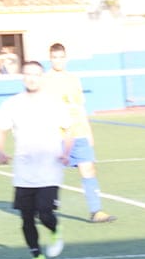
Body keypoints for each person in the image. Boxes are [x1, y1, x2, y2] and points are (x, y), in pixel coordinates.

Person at [0, 61, 72, 259]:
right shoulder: (12, 104)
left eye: (36, 74)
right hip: (23, 170)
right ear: (22, 77)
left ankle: (55, 230)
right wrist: (0, 150)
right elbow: (1, 130)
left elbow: (68, 130)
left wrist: (66, 152)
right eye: (28, 74)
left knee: (45, 212)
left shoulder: (54, 103)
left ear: (42, 77)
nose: (32, 78)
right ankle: (38, 258)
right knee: (26, 217)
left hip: (50, 167)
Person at [44, 43, 117, 222]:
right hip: (58, 135)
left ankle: (96, 211)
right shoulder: (44, 81)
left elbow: (79, 106)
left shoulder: (74, 79)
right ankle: (46, 207)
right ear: (50, 58)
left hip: (79, 132)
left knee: (88, 168)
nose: (58, 61)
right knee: (51, 173)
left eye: (61, 57)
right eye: (55, 57)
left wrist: (88, 131)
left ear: (66, 58)